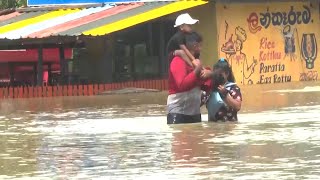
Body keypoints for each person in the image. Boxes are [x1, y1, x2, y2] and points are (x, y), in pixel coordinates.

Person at [167, 32, 212, 124]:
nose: (201, 49)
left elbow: (206, 86)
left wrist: (209, 74)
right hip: (178, 113)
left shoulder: (194, 64)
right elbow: (182, 85)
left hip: (194, 113)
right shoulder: (177, 61)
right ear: (195, 45)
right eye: (200, 45)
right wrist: (197, 71)